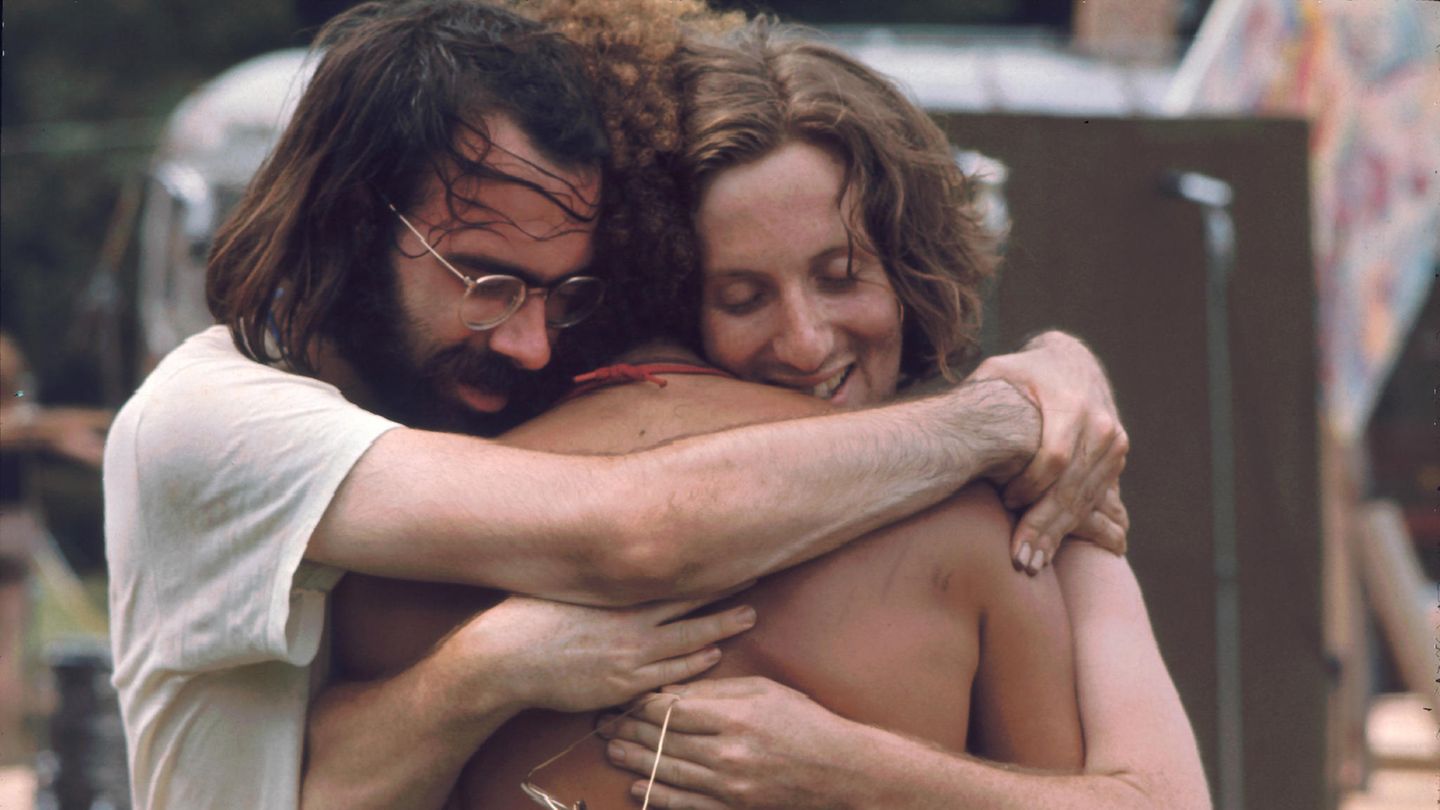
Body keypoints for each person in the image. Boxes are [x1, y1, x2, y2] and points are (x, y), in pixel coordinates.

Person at [102, 2, 1126, 809]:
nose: (531, 342)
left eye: (564, 294)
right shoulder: (206, 420)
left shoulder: (467, 428)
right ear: (352, 224)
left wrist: (1052, 368)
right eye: (487, 281)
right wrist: (1001, 415)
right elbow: (638, 533)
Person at [580, 10, 1209, 809]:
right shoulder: (596, 487)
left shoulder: (1040, 490)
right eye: (742, 298)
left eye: (840, 277)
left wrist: (850, 774)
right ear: (671, 302)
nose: (805, 342)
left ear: (911, 269)